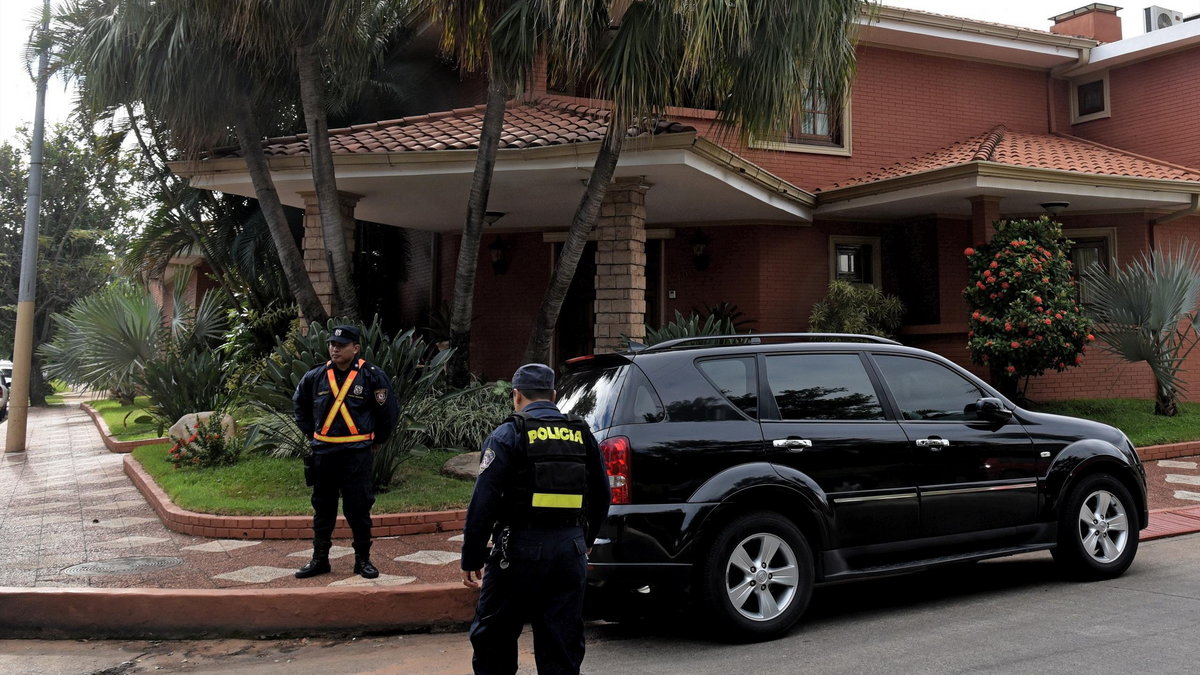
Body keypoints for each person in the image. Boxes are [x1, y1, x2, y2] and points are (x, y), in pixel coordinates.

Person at [461, 363, 611, 675]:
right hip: (569, 550)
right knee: (562, 641)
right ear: (554, 395)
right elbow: (602, 494)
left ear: (516, 396)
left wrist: (472, 554)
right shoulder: (581, 432)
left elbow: (483, 502)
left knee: (494, 637)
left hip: (518, 551)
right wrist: (586, 541)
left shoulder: (509, 434)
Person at [292, 325, 398, 579]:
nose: (335, 349)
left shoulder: (372, 376)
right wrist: (314, 434)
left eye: (341, 345)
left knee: (358, 508)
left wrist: (378, 439)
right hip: (324, 453)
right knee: (323, 507)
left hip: (356, 453)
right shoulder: (316, 375)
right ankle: (320, 560)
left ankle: (363, 561)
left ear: (356, 348)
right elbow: (300, 405)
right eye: (332, 344)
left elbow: (388, 412)